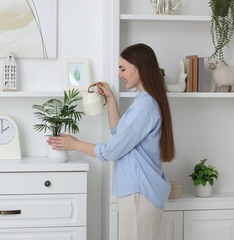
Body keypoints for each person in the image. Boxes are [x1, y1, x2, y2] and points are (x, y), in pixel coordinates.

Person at [48, 43, 175, 240]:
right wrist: (110, 100)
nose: (119, 74)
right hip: (138, 193)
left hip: (139, 194)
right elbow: (119, 133)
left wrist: (75, 144)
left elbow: (112, 150)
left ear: (140, 67)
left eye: (123, 68)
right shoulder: (143, 101)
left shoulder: (145, 106)